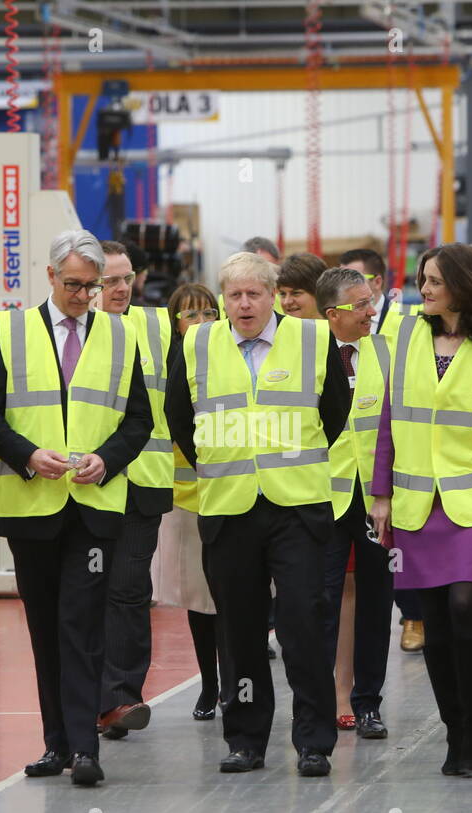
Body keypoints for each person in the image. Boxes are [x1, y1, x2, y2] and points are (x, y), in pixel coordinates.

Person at [0, 229, 152, 788]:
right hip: (33, 508)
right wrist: (27, 456)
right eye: (72, 285)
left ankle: (84, 748)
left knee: (82, 624)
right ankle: (57, 744)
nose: (81, 296)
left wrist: (107, 460)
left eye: (90, 287)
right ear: (50, 276)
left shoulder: (121, 338)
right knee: (46, 629)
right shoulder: (11, 331)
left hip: (93, 508)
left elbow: (139, 420)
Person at [166, 252, 351, 777]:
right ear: (223, 299)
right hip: (228, 507)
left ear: (274, 296)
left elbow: (333, 413)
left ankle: (314, 741)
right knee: (239, 631)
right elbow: (179, 414)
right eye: (234, 295)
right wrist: (222, 460)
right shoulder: (198, 343)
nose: (243, 304)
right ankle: (245, 739)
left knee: (303, 624)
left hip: (297, 507)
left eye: (254, 294)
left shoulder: (313, 339)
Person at [369, 243, 472, 776]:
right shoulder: (404, 335)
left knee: (467, 606)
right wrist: (381, 495)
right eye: (422, 280)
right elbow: (390, 419)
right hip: (417, 501)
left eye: (435, 281)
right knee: (436, 624)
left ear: (462, 285)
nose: (425, 290)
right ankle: (457, 729)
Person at [92, 240, 177, 741]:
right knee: (86, 593)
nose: (120, 288)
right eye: (108, 281)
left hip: (142, 481)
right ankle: (89, 699)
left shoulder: (158, 326)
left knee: (127, 591)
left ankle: (121, 697)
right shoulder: (72, 335)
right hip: (85, 485)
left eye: (126, 278)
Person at [317, 267, 395, 739]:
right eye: (361, 305)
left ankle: (368, 701)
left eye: (372, 302)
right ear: (333, 314)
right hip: (320, 497)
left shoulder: (387, 351)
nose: (371, 312)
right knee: (319, 602)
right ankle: (321, 699)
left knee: (375, 603)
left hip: (376, 498)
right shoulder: (306, 354)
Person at [150, 283, 230, 719]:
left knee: (233, 596)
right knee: (200, 601)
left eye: (208, 313)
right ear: (175, 323)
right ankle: (209, 684)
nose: (200, 322)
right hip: (188, 496)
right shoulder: (169, 366)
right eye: (190, 315)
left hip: (233, 491)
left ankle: (235, 682)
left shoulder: (233, 359)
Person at [339, 248, 422, 651]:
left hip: (383, 483)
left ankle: (413, 616)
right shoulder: (315, 347)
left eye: (361, 291)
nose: (365, 308)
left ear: (376, 285)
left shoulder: (401, 333)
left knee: (386, 574)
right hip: (328, 490)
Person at [277, 252, 327, 319]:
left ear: (320, 293)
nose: (286, 302)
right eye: (283, 294)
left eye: (295, 293)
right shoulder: (276, 328)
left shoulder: (340, 328)